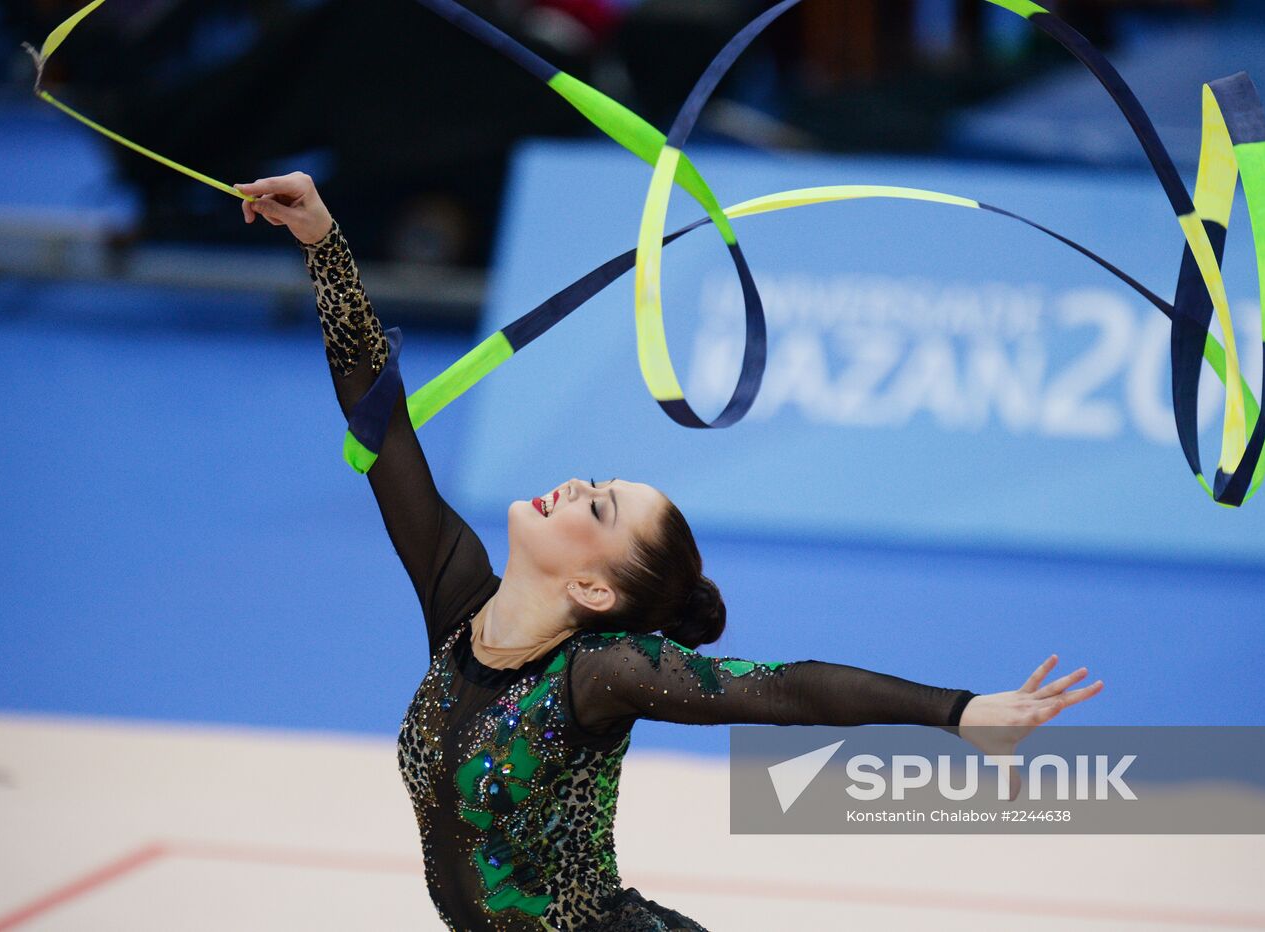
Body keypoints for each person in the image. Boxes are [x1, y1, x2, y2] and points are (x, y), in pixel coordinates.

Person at [237, 171, 1105, 931]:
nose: (575, 486)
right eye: (596, 485)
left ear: (594, 587)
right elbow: (379, 421)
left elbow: (785, 691)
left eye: (601, 508)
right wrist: (323, 242)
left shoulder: (599, 672)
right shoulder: (458, 602)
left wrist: (959, 712)